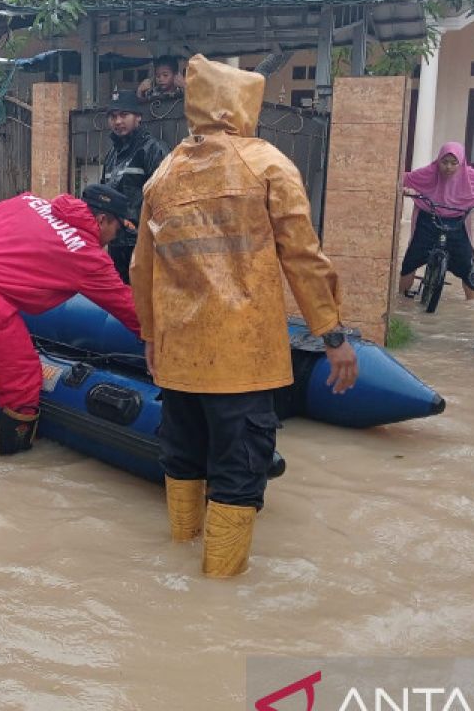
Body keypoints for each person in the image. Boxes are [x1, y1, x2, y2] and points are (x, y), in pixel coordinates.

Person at [129, 54, 358, 579]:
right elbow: (302, 255)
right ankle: (218, 593)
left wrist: (149, 334)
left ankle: (182, 558)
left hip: (181, 357)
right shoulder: (268, 164)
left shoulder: (163, 176)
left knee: (183, 458)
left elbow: (142, 266)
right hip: (244, 359)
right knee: (239, 470)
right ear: (244, 103)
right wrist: (332, 334)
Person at [0, 184, 141, 454]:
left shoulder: (28, 202)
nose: (113, 238)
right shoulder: (86, 255)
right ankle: (13, 470)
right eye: (116, 229)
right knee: (22, 383)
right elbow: (127, 307)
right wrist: (164, 336)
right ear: (102, 220)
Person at [397, 142, 474, 301]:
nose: (449, 167)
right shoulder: (428, 172)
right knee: (411, 258)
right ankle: (401, 299)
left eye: (454, 163)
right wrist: (409, 191)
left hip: (458, 221)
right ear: (438, 161)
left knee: (466, 261)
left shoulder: (470, 176)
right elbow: (403, 179)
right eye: (444, 162)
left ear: (461, 163)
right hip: (429, 218)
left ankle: (470, 305)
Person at [100, 92, 170, 282]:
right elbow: (104, 198)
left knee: (144, 299)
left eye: (124, 115)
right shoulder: (111, 155)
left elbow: (166, 198)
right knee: (122, 298)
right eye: (113, 116)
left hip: (143, 243)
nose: (118, 121)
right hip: (116, 242)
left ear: (138, 117)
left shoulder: (153, 150)